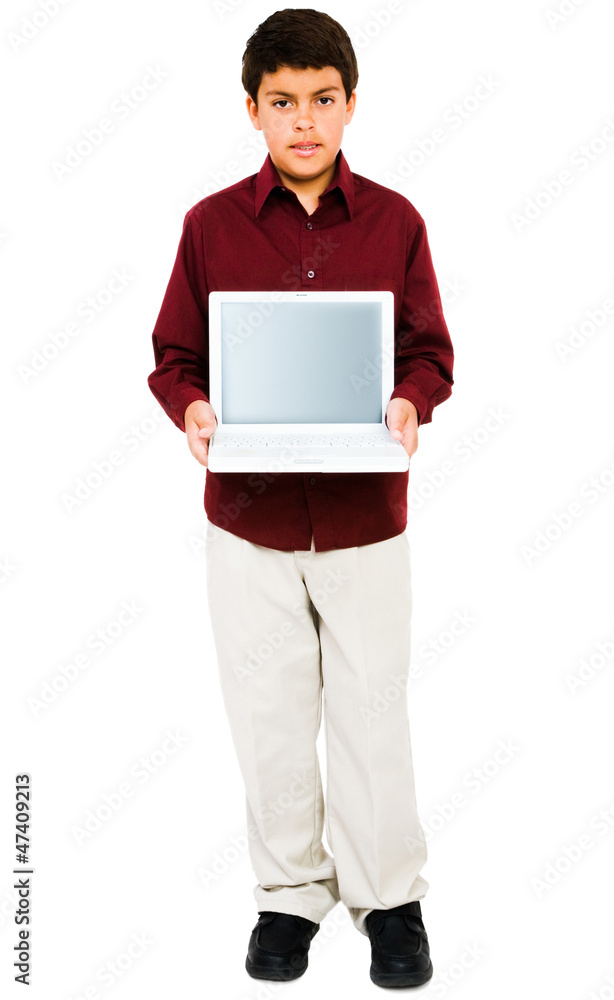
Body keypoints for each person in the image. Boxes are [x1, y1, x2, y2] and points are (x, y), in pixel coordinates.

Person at [147, 8, 454, 989]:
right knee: (268, 710)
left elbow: (427, 352)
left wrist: (409, 401)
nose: (304, 121)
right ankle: (288, 895)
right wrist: (192, 408)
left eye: (322, 100)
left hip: (366, 517)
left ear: (350, 104)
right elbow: (174, 357)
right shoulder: (208, 226)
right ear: (252, 111)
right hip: (250, 517)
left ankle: (389, 898)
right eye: (282, 102)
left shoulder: (396, 221)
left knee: (372, 708)